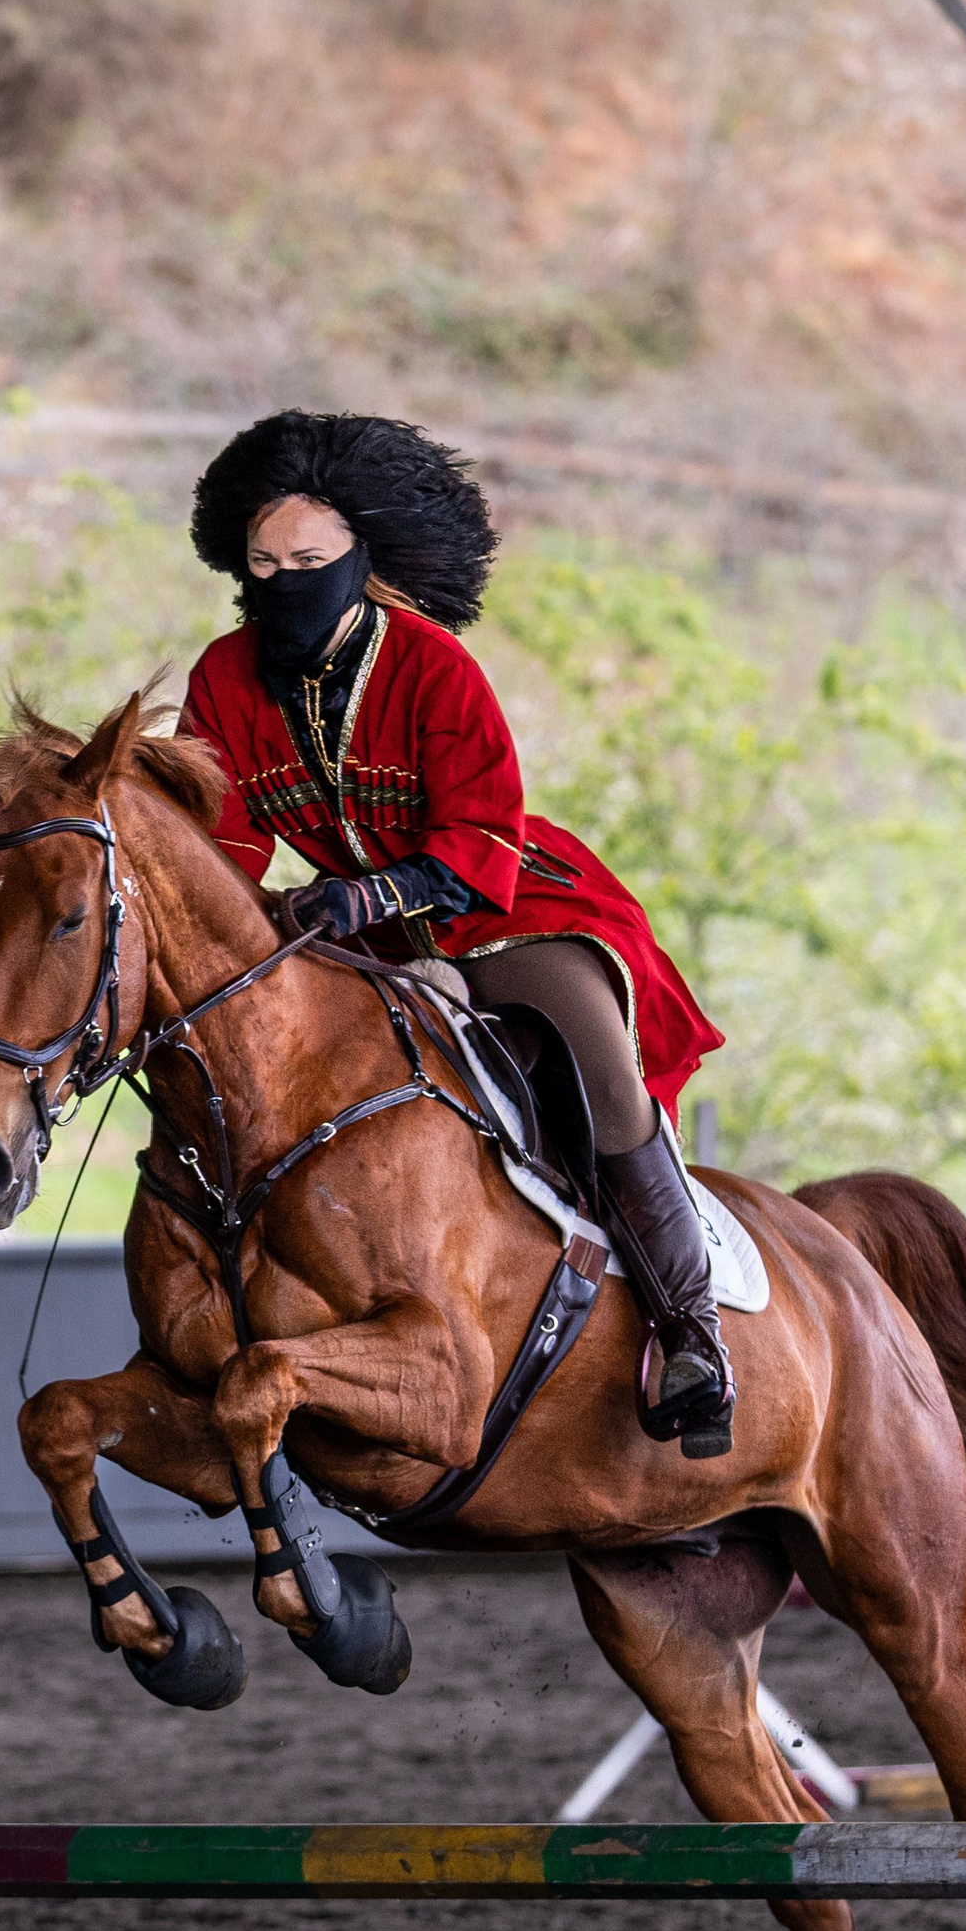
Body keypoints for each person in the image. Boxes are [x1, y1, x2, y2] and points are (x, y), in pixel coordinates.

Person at [180, 410, 736, 1455]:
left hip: (510, 903)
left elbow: (482, 828)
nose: (283, 577)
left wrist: (366, 897)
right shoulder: (220, 675)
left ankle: (690, 1330)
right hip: (362, 933)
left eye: (309, 557)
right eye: (262, 560)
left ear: (360, 556)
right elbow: (222, 841)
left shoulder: (432, 664)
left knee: (601, 1066)